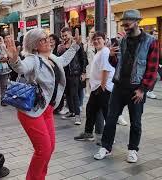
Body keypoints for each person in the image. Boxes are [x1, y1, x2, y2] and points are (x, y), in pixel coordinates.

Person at [5, 28, 81, 180]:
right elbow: (22, 67)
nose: (48, 41)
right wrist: (13, 59)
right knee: (43, 149)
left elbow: (64, 61)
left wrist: (75, 46)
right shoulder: (33, 59)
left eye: (47, 38)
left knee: (50, 147)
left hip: (47, 110)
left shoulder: (51, 57)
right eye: (43, 40)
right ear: (34, 45)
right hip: (32, 111)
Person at [94, 9, 160, 163]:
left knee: (135, 121)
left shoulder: (150, 41)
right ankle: (106, 147)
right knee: (110, 119)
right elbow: (116, 64)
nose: (124, 26)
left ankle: (132, 149)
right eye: (123, 23)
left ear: (137, 22)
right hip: (119, 87)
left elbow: (152, 69)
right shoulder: (122, 40)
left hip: (136, 88)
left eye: (127, 24)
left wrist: (143, 89)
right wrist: (111, 56)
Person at [74, 32, 115, 143]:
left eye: (99, 39)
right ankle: (88, 133)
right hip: (97, 88)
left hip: (103, 88)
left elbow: (106, 70)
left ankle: (109, 139)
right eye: (94, 39)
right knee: (91, 110)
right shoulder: (99, 52)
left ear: (105, 39)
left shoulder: (105, 52)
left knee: (107, 114)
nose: (96, 41)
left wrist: (102, 86)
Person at [58, 27, 87, 125]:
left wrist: (83, 72)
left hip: (74, 73)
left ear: (70, 34)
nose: (64, 38)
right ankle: (71, 111)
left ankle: (77, 116)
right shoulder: (60, 46)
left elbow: (83, 58)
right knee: (68, 94)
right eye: (62, 36)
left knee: (74, 94)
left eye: (66, 35)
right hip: (64, 74)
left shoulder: (77, 45)